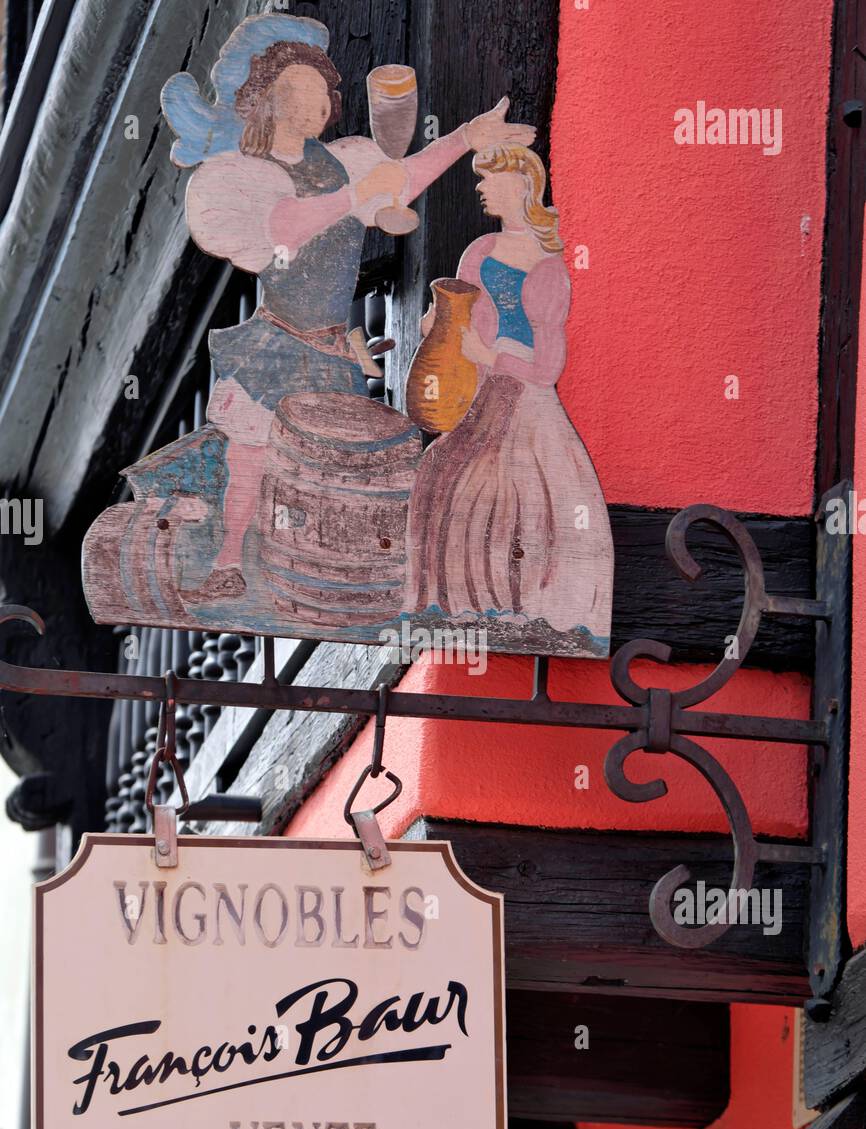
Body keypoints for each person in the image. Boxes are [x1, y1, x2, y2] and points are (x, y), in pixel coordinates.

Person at [161, 14, 535, 602]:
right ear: (263, 101)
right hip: (279, 338)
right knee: (253, 450)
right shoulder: (240, 176)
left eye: (321, 93)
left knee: (332, 468)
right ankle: (228, 559)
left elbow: (403, 177)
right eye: (297, 92)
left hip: (332, 343)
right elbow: (284, 226)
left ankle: (332, 578)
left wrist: (465, 137)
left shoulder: (345, 159)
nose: (314, 105)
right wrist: (356, 198)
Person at [404, 146, 613, 652]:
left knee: (525, 491)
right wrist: (439, 329)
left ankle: (530, 610)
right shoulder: (480, 251)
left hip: (524, 395)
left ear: (522, 182)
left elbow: (547, 365)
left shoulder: (549, 267)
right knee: (442, 469)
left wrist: (492, 355)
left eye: (490, 178)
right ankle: (455, 606)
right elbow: (464, 320)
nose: (481, 188)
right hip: (481, 389)